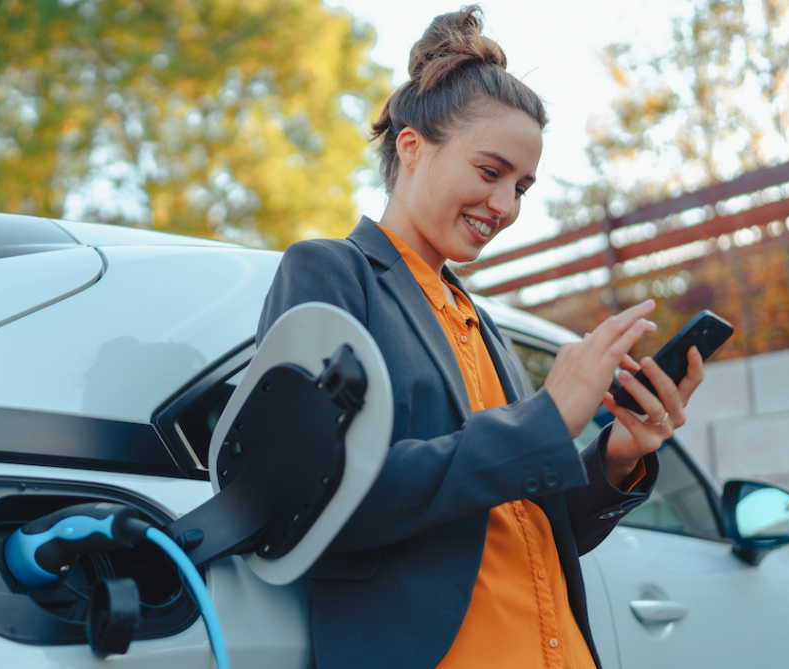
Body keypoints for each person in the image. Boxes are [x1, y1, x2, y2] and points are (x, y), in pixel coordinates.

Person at [256, 6, 706, 669]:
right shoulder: (330, 272)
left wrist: (615, 454)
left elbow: (524, 525)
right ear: (411, 147)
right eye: (490, 172)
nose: (507, 206)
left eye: (522, 186)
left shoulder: (481, 322)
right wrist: (545, 419)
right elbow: (320, 495)